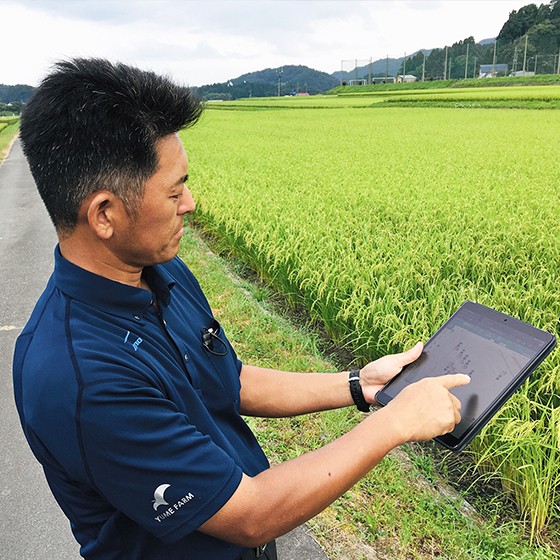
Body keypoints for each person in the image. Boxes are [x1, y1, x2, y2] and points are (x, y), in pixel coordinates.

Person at [13, 58, 469, 560]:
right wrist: (395, 423)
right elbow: (250, 515)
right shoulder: (79, 378)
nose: (190, 203)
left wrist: (361, 384)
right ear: (104, 214)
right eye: (174, 190)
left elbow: (228, 379)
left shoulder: (159, 272)